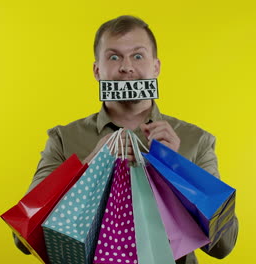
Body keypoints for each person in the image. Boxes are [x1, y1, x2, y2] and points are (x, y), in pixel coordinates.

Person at [14, 15, 238, 264]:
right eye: (114, 56)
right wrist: (87, 166)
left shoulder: (196, 141)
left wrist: (177, 170)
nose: (127, 67)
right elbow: (23, 238)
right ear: (97, 70)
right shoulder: (63, 140)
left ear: (156, 67)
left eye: (138, 56)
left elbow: (223, 246)